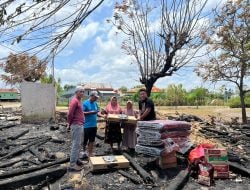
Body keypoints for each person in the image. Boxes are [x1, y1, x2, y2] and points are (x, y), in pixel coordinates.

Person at [67, 86, 86, 171]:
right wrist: (69, 123)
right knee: (76, 144)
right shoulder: (74, 101)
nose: (82, 93)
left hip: (80, 124)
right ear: (76, 92)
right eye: (81, 91)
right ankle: (72, 165)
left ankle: (77, 159)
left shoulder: (79, 101)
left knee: (79, 144)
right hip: (76, 125)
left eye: (83, 91)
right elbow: (70, 114)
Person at [82, 91, 104, 157]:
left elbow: (97, 112)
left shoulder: (95, 103)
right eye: (95, 97)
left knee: (92, 140)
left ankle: (90, 153)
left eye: (96, 98)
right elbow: (82, 113)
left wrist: (102, 115)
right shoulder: (85, 103)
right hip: (86, 125)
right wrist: (90, 112)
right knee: (85, 140)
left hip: (94, 125)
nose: (96, 99)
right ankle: (84, 152)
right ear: (91, 96)